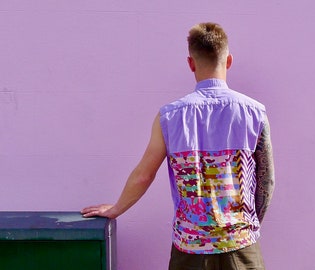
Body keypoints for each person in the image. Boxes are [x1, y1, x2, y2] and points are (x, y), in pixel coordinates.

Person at [81, 22, 275, 270]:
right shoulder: (254, 112)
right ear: (228, 61)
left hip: (190, 250)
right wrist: (247, 226)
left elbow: (144, 175)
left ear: (191, 64)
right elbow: (266, 180)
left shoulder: (170, 116)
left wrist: (117, 208)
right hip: (241, 245)